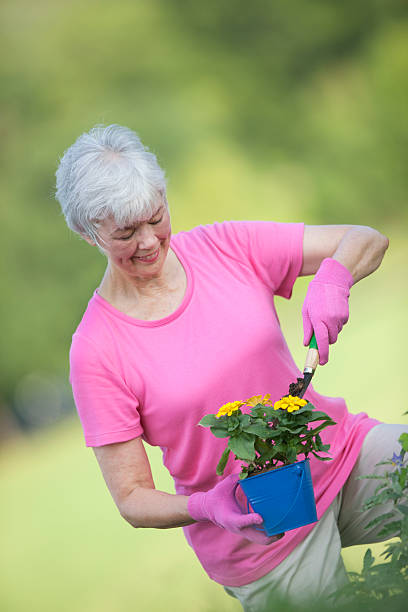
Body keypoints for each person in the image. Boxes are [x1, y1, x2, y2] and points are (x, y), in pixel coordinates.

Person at [55, 124, 406, 611]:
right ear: (86, 232)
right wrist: (204, 507)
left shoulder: (225, 247)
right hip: (259, 531)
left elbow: (363, 239)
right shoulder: (96, 348)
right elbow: (133, 497)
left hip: (339, 460)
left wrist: (334, 278)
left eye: (155, 217)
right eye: (125, 233)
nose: (149, 242)